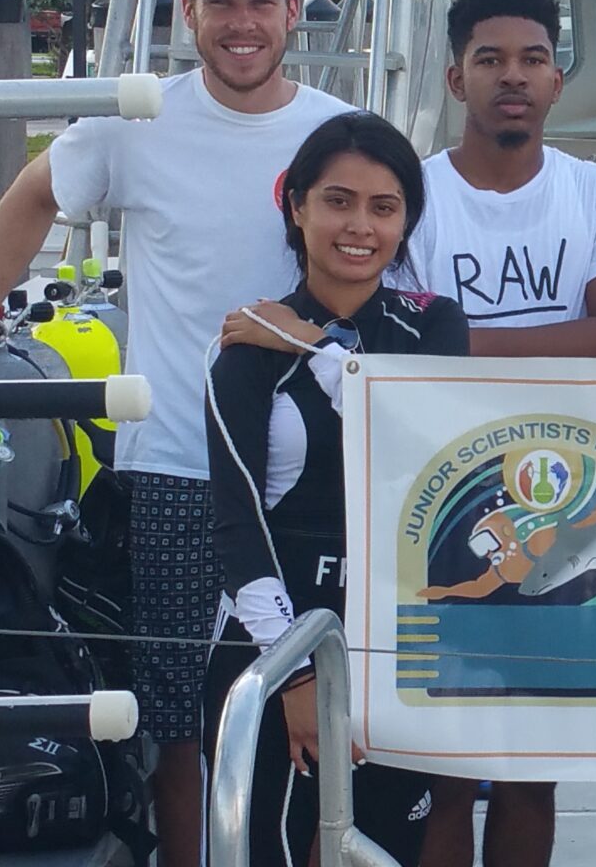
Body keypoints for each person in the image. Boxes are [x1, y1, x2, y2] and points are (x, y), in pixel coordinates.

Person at [0, 0, 350, 867]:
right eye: (219, 2)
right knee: (178, 715)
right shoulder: (128, 119)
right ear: (188, 13)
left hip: (319, 476)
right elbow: (32, 197)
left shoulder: (341, 133)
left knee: (323, 708)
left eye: (259, 2)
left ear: (289, 15)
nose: (240, 23)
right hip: (181, 465)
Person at [410, 0, 596, 867]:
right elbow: (406, 351)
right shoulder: (414, 194)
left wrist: (456, 337)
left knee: (529, 764)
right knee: (440, 762)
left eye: (532, 60)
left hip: (570, 495)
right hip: (438, 491)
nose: (511, 77)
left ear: (557, 81)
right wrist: (552, 345)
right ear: (453, 78)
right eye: (489, 60)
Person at [205, 112, 469, 867]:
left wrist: (312, 342)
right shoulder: (243, 351)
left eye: (384, 207)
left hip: (397, 653)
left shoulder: (437, 329)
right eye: (337, 201)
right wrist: (292, 674)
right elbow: (236, 527)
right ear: (296, 206)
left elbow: (420, 452)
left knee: (386, 850)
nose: (360, 226)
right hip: (271, 645)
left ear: (407, 219)